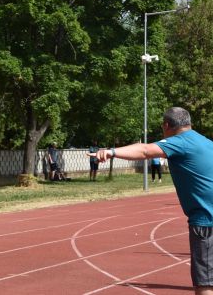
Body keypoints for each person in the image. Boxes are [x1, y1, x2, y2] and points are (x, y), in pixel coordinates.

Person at [90, 107, 213, 295]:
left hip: (205, 220)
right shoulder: (206, 142)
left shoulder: (179, 142)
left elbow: (146, 150)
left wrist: (111, 152)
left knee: (205, 284)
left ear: (166, 126)